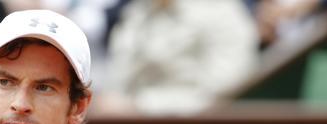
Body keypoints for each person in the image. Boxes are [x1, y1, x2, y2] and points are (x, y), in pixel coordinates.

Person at [98, 0, 258, 115]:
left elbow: (225, 95)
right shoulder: (137, 12)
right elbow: (116, 80)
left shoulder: (226, 14)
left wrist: (139, 106)